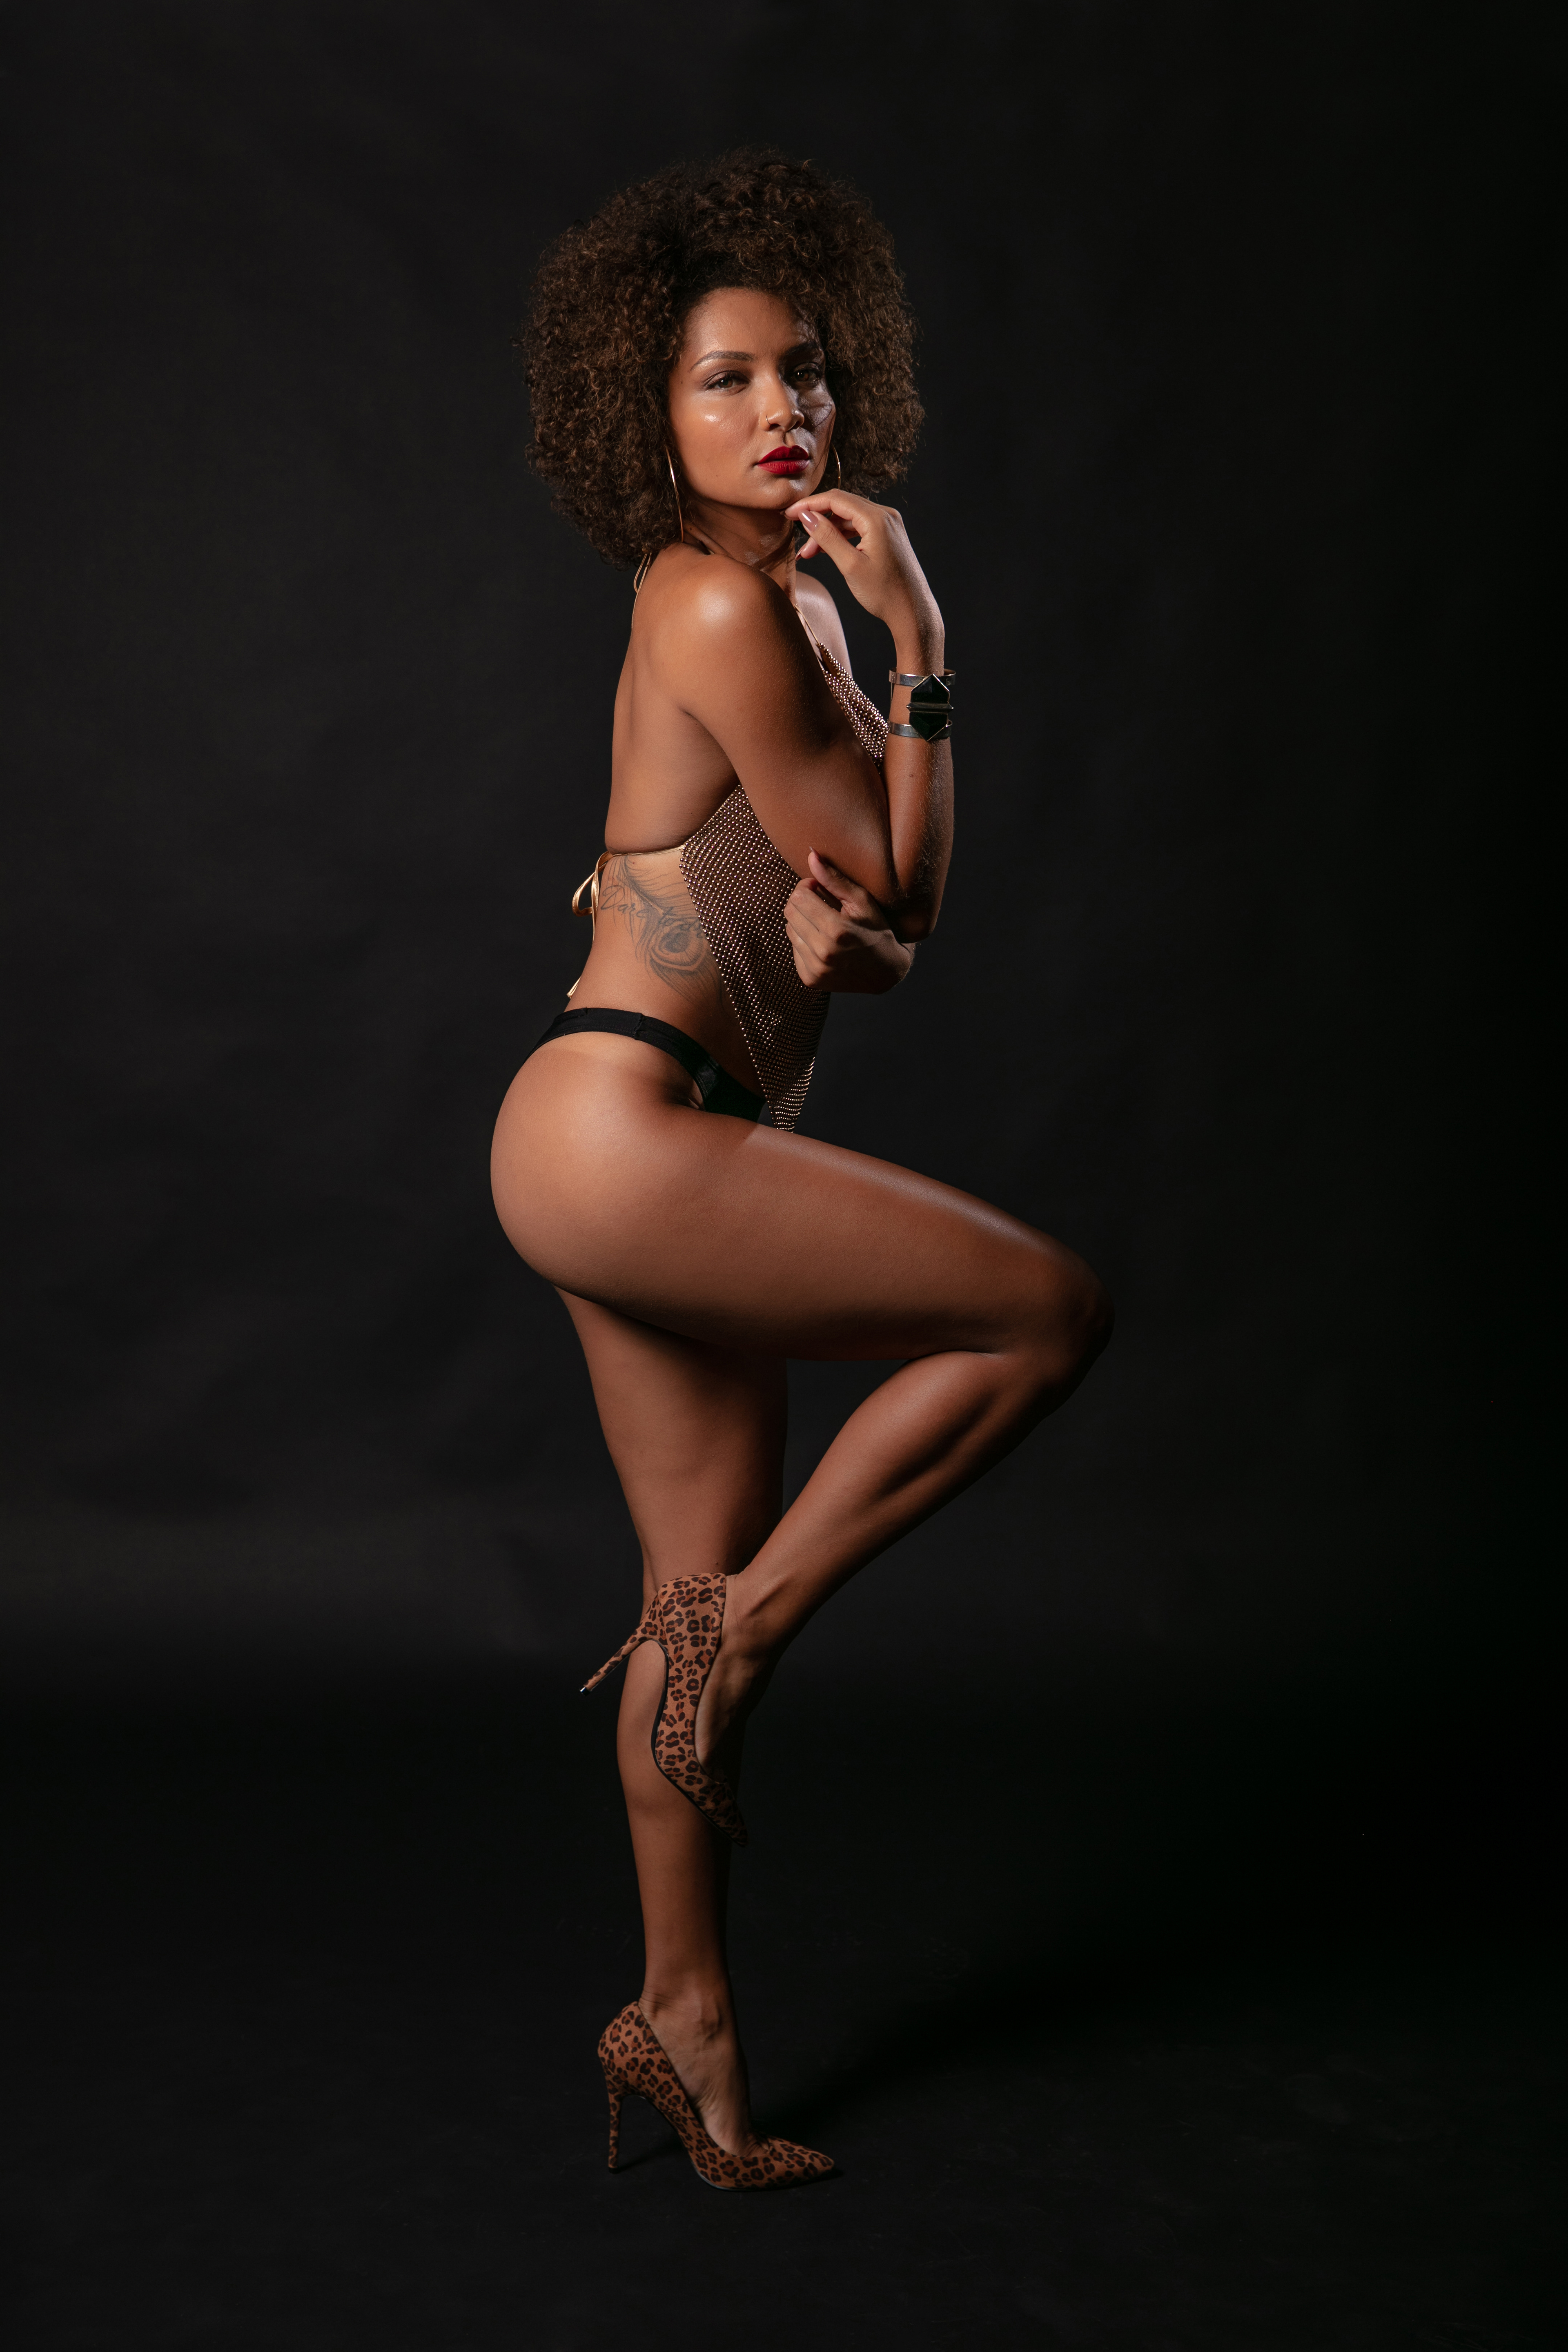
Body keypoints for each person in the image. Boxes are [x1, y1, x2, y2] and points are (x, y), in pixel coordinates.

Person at [490, 151, 1112, 2192]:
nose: (785, 410)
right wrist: (924, 631)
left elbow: (883, 919)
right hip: (630, 1123)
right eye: (727, 379)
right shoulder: (711, 600)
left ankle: (684, 2031)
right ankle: (760, 1631)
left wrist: (885, 936)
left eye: (809, 371)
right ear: (643, 413)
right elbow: (903, 868)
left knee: (673, 1605)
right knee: (1044, 1315)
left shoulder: (783, 613)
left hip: (648, 1129)